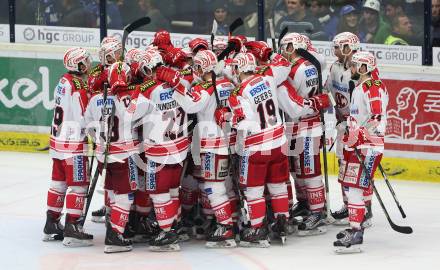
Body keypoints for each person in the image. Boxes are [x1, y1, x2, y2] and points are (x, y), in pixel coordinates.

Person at [159, 50, 237, 248]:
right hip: (228, 141)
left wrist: (177, 87)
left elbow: (189, 106)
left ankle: (225, 227)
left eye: (197, 66)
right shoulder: (227, 83)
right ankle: (230, 223)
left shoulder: (205, 88)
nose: (194, 69)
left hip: (213, 144)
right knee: (225, 186)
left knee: (214, 188)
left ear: (203, 67)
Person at [217, 51, 292, 247]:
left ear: (239, 69)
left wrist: (225, 117)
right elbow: (285, 66)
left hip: (258, 146)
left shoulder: (238, 93)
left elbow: (244, 123)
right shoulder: (267, 76)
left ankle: (258, 229)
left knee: (253, 191)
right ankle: (281, 223)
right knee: (277, 186)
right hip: (278, 142)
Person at [124, 49, 189, 252]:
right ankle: (174, 225)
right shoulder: (180, 84)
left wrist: (132, 91)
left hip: (158, 151)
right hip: (180, 148)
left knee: (158, 193)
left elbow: (129, 114)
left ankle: (167, 232)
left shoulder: (146, 90)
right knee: (172, 191)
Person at [334, 51, 388, 253]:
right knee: (351, 185)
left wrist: (358, 136)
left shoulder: (372, 87)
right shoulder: (361, 86)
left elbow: (376, 118)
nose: (352, 68)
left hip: (367, 146)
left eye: (356, 65)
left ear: (365, 68)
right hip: (361, 144)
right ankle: (355, 228)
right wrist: (351, 130)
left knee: (355, 187)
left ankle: (355, 232)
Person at [84, 62, 140, 253]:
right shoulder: (126, 98)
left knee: (113, 192)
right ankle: (115, 235)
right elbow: (137, 114)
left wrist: (99, 142)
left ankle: (112, 226)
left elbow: (88, 126)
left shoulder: (95, 100)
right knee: (125, 196)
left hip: (103, 155)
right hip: (123, 154)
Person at [43, 47, 93, 247]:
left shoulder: (63, 81)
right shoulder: (78, 86)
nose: (89, 64)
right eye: (86, 61)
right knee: (78, 185)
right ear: (79, 64)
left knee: (59, 183)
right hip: (73, 144)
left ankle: (51, 224)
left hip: (57, 142)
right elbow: (84, 117)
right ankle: (73, 228)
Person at [279, 33, 328, 236]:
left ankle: (317, 211)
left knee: (309, 170)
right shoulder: (311, 65)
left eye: (285, 47)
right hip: (303, 124)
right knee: (298, 169)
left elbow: (293, 106)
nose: (282, 51)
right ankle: (306, 203)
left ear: (293, 47)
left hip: (305, 125)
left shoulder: (296, 70)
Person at [323, 32, 360, 225]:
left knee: (357, 170)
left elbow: (365, 103)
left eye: (338, 46)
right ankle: (349, 206)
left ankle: (364, 210)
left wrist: (353, 123)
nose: (334, 50)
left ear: (347, 48)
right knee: (344, 168)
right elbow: (326, 89)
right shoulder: (335, 66)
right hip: (342, 126)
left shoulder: (361, 70)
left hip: (357, 129)